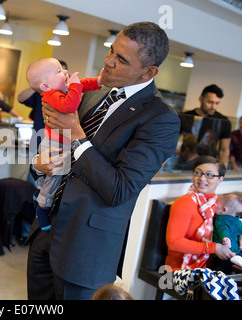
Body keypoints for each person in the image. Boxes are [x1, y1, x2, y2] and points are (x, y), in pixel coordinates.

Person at [26, 21, 180, 300]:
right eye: (111, 51)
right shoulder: (90, 92)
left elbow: (119, 188)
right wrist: (39, 163)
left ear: (149, 71)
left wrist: (76, 134)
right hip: (45, 230)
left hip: (85, 250)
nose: (107, 62)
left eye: (121, 59)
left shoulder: (160, 119)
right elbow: (54, 147)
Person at [25, 57, 102, 230]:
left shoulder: (60, 90)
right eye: (59, 71)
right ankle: (42, 208)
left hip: (58, 141)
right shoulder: (51, 95)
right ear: (45, 86)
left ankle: (39, 194)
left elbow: (83, 85)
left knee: (51, 176)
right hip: (54, 144)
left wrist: (98, 81)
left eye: (62, 68)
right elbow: (69, 106)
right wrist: (74, 85)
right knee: (55, 178)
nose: (65, 72)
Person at [165, 156, 234, 271]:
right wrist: (212, 248)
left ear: (220, 179)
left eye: (209, 175)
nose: (202, 178)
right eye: (198, 173)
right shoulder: (185, 203)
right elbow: (173, 243)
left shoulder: (216, 204)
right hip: (180, 268)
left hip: (208, 266)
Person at [180, 84, 231, 167]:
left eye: (217, 103)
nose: (213, 107)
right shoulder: (185, 117)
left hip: (209, 164)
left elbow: (224, 149)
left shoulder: (224, 121)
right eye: (210, 102)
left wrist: (222, 171)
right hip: (184, 162)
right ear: (201, 99)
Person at [18, 60, 69, 137]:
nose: (65, 73)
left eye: (63, 70)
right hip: (39, 140)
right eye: (59, 71)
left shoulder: (69, 96)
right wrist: (37, 83)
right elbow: (20, 98)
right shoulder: (42, 94)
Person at [212, 192, 242, 271]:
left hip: (224, 254)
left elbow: (223, 229)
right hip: (237, 252)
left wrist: (225, 238)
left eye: (216, 204)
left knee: (218, 269)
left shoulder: (220, 220)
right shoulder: (237, 221)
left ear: (224, 210)